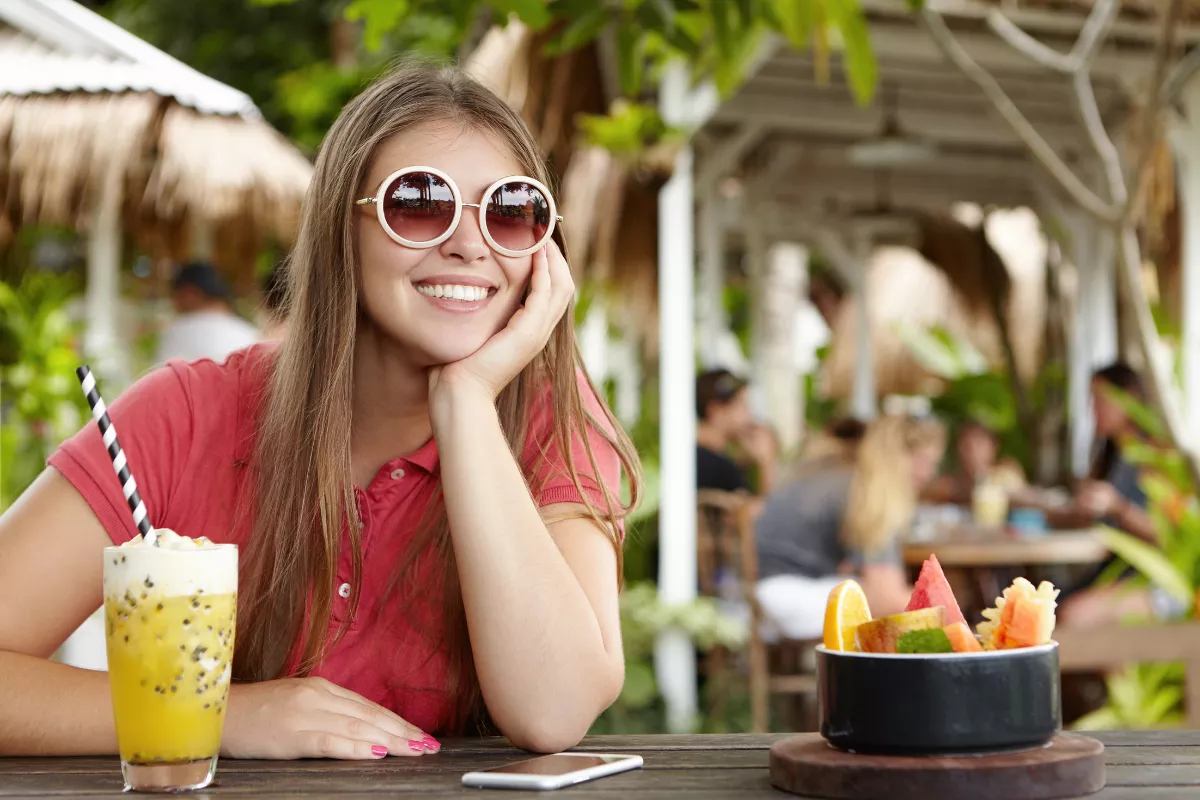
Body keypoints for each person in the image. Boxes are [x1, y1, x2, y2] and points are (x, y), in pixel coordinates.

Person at [0, 61, 641, 759]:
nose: (468, 243)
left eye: (511, 211)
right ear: (344, 225)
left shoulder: (556, 422)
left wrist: (465, 404)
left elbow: (553, 712)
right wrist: (218, 716)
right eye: (419, 202)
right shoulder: (186, 414)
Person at [754, 414, 946, 640]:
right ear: (899, 457)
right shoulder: (872, 490)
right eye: (925, 462)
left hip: (762, 591)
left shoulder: (834, 470)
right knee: (899, 616)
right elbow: (885, 597)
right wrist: (950, 617)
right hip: (791, 597)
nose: (930, 473)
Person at [1055, 363, 1163, 627]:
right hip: (1110, 569)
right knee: (1048, 606)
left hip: (1150, 577)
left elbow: (1165, 535)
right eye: (1092, 400)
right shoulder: (1112, 455)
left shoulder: (1157, 455)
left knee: (1069, 616)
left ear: (1131, 398)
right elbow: (1090, 520)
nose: (1094, 409)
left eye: (1101, 399)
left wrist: (1118, 507)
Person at [154, 261, 261, 364]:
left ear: (190, 293)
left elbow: (161, 376)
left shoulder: (179, 331)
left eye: (175, 295)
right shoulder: (250, 333)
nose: (174, 302)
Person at [695, 369, 777, 495]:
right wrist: (766, 463)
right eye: (742, 405)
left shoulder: (690, 457)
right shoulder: (721, 469)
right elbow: (762, 513)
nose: (749, 415)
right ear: (715, 411)